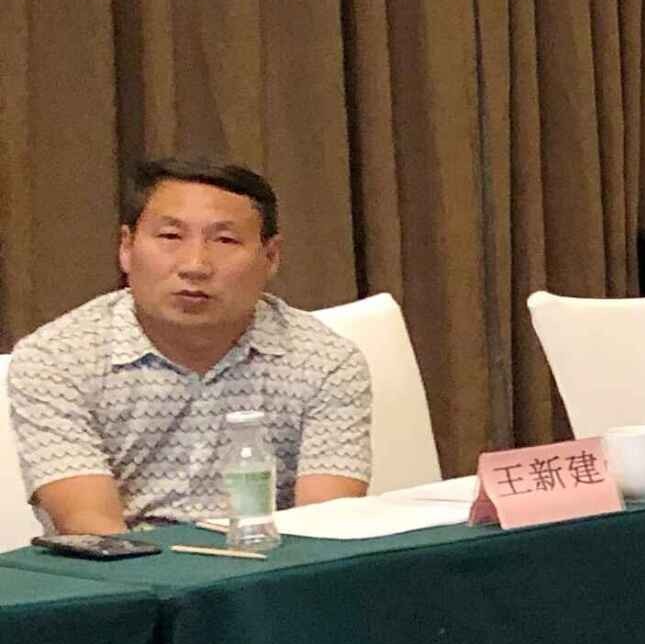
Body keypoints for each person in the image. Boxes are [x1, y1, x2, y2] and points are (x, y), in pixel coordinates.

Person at [9, 159, 374, 535]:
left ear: (270, 257)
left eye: (225, 240)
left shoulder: (325, 362)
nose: (195, 265)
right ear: (127, 247)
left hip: (274, 562)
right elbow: (92, 527)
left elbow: (325, 525)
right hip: (127, 565)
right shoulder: (57, 360)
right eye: (170, 237)